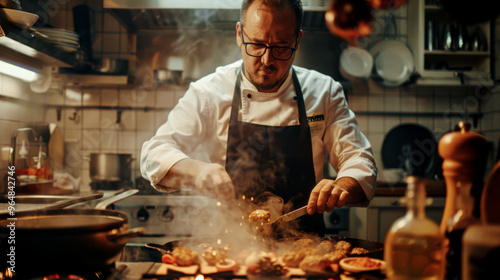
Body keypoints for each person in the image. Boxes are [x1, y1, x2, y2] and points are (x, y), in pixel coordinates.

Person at [141, 0, 377, 235]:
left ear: (298, 40)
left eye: (281, 47)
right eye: (256, 44)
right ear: (239, 33)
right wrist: (197, 172)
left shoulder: (324, 92)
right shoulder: (209, 92)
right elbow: (154, 153)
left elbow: (359, 160)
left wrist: (341, 186)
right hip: (231, 246)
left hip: (307, 249)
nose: (266, 60)